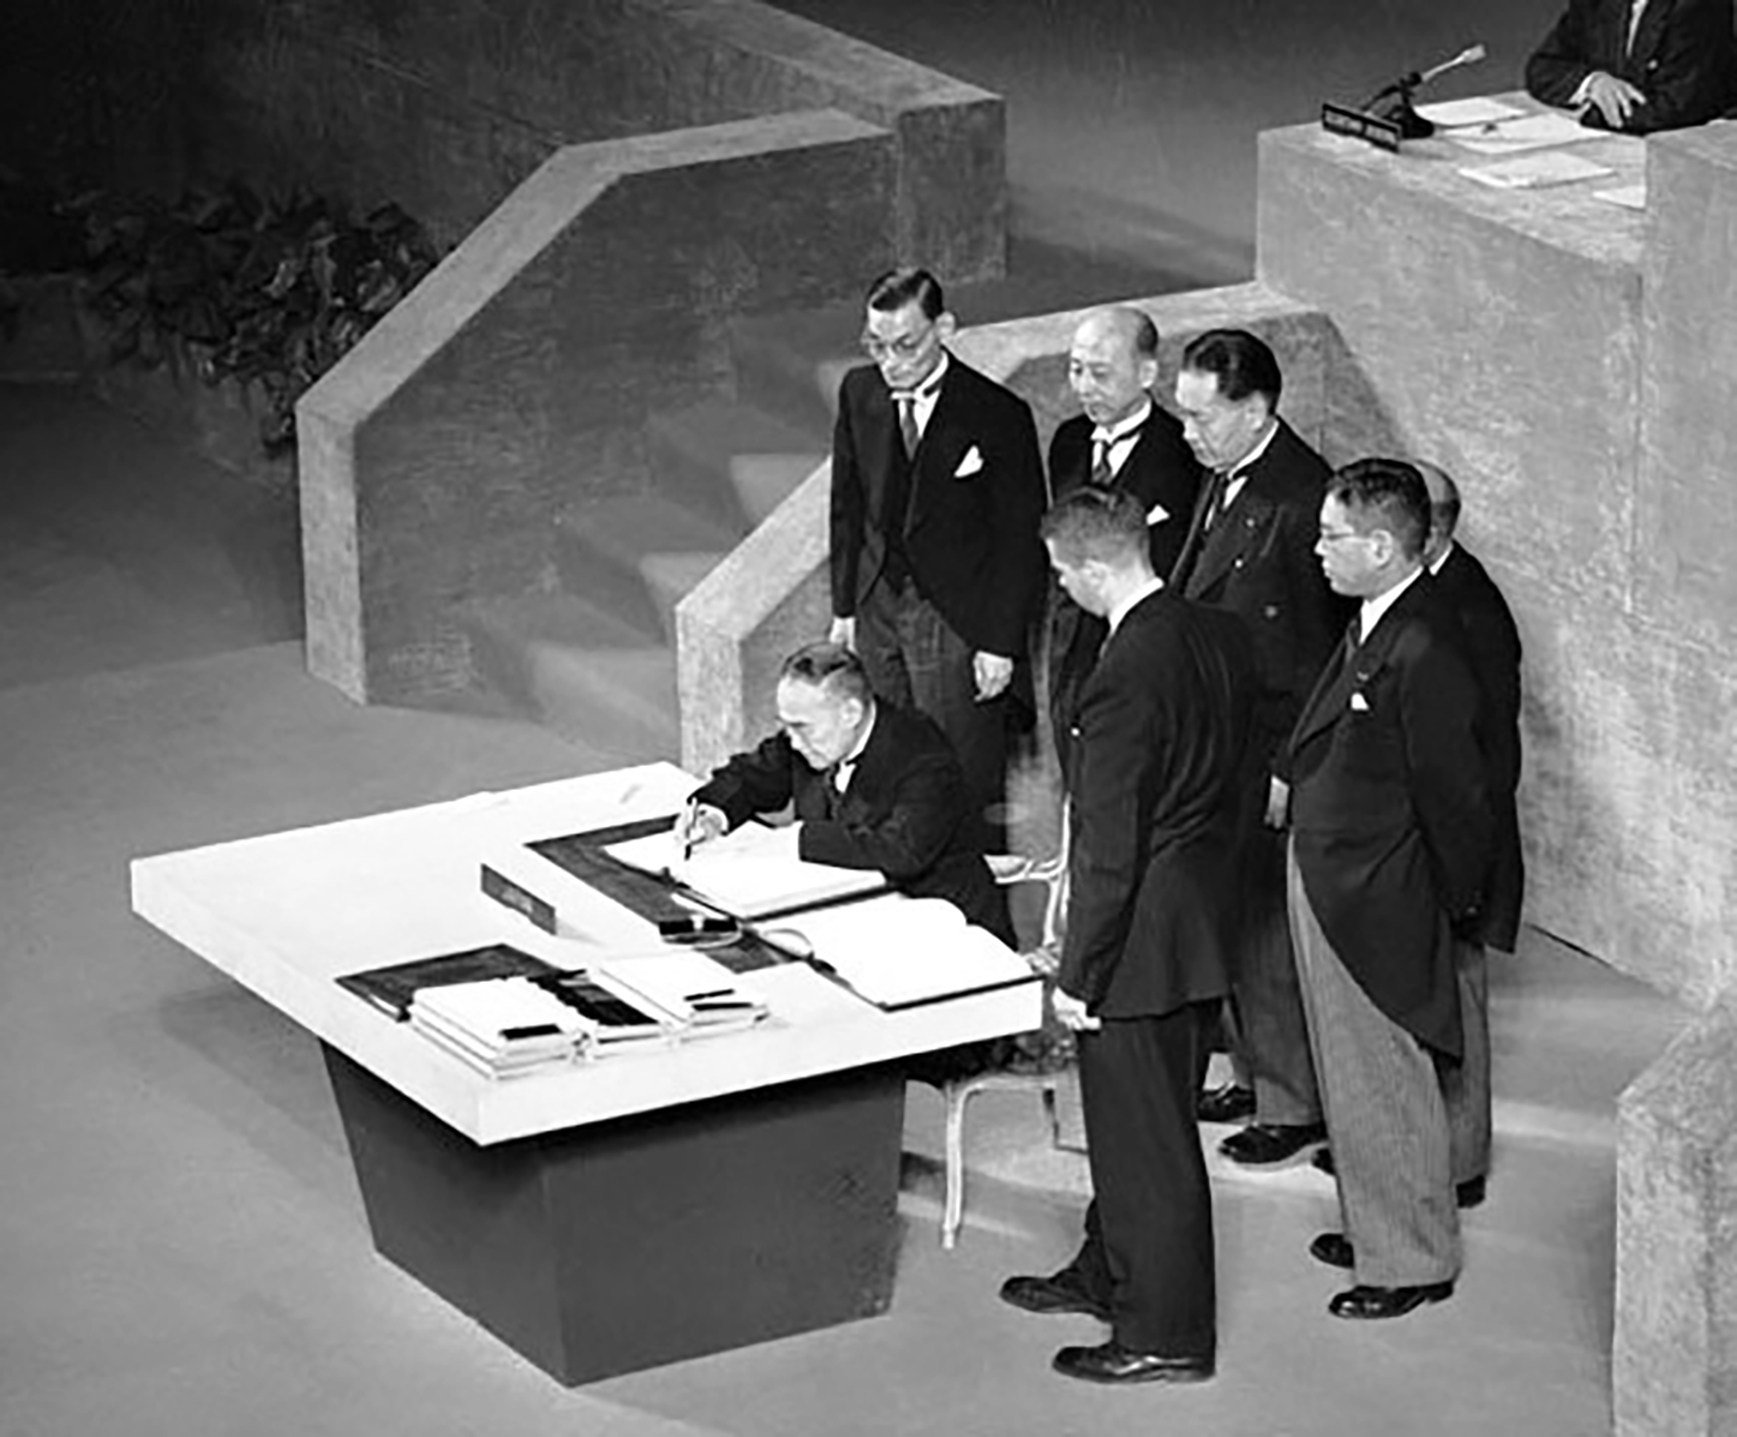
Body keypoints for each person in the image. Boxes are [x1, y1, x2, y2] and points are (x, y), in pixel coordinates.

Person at [998, 487, 1254, 1385]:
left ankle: (1165, 1333)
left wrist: (1078, 971)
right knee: (1140, 1128)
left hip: (1139, 940)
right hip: (1201, 918)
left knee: (1146, 1147)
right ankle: (1107, 1271)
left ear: (1096, 567)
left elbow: (1109, 845)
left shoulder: (1119, 681)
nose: (1061, 588)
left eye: (1064, 572)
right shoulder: (1210, 633)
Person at [1281, 458, 1492, 1321]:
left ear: (1378, 544)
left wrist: (1446, 900)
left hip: (1378, 887)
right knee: (1352, 1069)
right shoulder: (1376, 617)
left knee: (1384, 1070)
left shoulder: (1425, 642)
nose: (1317, 548)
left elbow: (1455, 795)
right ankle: (1380, 1220)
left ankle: (1409, 1258)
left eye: (1331, 534)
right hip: (1335, 873)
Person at [1313, 461, 1523, 1211]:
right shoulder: (1397, 606)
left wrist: (1453, 883)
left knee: (1449, 1019)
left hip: (1446, 857)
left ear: (1423, 529)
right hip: (1417, 853)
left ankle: (1451, 1169)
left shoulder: (1459, 616)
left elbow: (1475, 763)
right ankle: (1414, 1167)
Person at [1168, 328, 1348, 1167]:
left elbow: (1321, 655)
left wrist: (1286, 767)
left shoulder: (1297, 498)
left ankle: (1290, 1097)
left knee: (1264, 927)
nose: (1186, 431)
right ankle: (1250, 1067)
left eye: (1202, 415)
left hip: (1266, 751)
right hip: (1221, 742)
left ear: (1255, 408)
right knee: (1230, 915)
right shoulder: (1226, 476)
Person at [827, 268, 1048, 846]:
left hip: (955, 615)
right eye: (877, 345)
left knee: (961, 772)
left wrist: (1000, 643)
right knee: (881, 759)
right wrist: (845, 607)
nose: (891, 362)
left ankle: (975, 912)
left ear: (944, 327)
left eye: (907, 345)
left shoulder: (996, 413)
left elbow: (1020, 539)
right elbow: (846, 508)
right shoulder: (859, 393)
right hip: (877, 604)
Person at [679, 642, 1011, 944]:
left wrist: (795, 841)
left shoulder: (922, 754)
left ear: (850, 713)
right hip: (845, 921)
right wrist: (711, 813)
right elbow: (750, 776)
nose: (793, 741)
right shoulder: (810, 738)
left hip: (944, 934)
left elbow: (901, 850)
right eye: (786, 725)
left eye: (801, 727)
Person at [1045, 306, 1203, 773]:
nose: (1085, 387)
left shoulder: (1183, 451)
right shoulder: (1069, 441)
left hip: (1144, 651)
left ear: (1147, 372)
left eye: (1100, 373)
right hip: (1071, 644)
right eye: (1076, 370)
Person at [1524, 0, 1737, 133]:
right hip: (1622, 139)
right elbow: (1542, 68)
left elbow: (1675, 110)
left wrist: (1593, 109)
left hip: (1686, 150)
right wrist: (1594, 83)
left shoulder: (1698, 7)